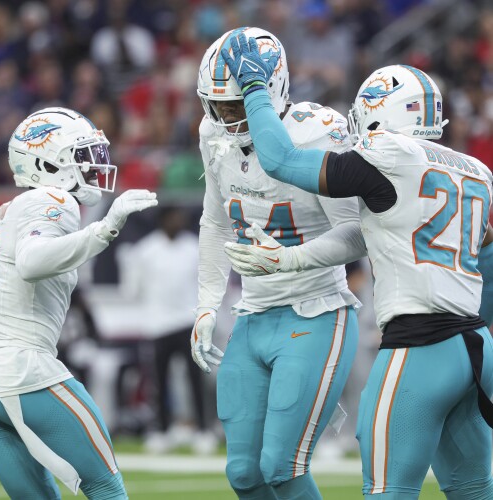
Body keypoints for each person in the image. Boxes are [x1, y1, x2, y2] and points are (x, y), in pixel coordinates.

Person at [222, 34, 493, 499]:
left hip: (419, 347)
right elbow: (482, 241)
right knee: (474, 490)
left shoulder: (390, 157)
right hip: (478, 346)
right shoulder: (477, 171)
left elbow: (281, 160)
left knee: (387, 489)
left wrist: (254, 89)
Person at [190, 27, 367, 500]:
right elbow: (215, 222)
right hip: (253, 313)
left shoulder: (317, 131)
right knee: (243, 474)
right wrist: (206, 305)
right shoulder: (212, 133)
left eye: (236, 105)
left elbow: (357, 234)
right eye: (217, 106)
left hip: (316, 310)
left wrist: (288, 260)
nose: (226, 118)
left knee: (281, 466)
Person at [0, 107, 157, 499]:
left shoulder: (7, 213)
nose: (94, 164)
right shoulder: (52, 199)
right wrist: (107, 228)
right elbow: (32, 262)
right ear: (47, 164)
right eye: (82, 155)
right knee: (106, 487)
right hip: (25, 370)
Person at [117, 205, 217, 454]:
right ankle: (160, 431)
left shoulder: (193, 247)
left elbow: (207, 284)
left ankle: (203, 430)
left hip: (188, 322)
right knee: (158, 382)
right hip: (157, 325)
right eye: (172, 218)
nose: (177, 222)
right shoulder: (146, 250)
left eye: (179, 218)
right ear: (162, 221)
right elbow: (131, 290)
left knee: (196, 379)